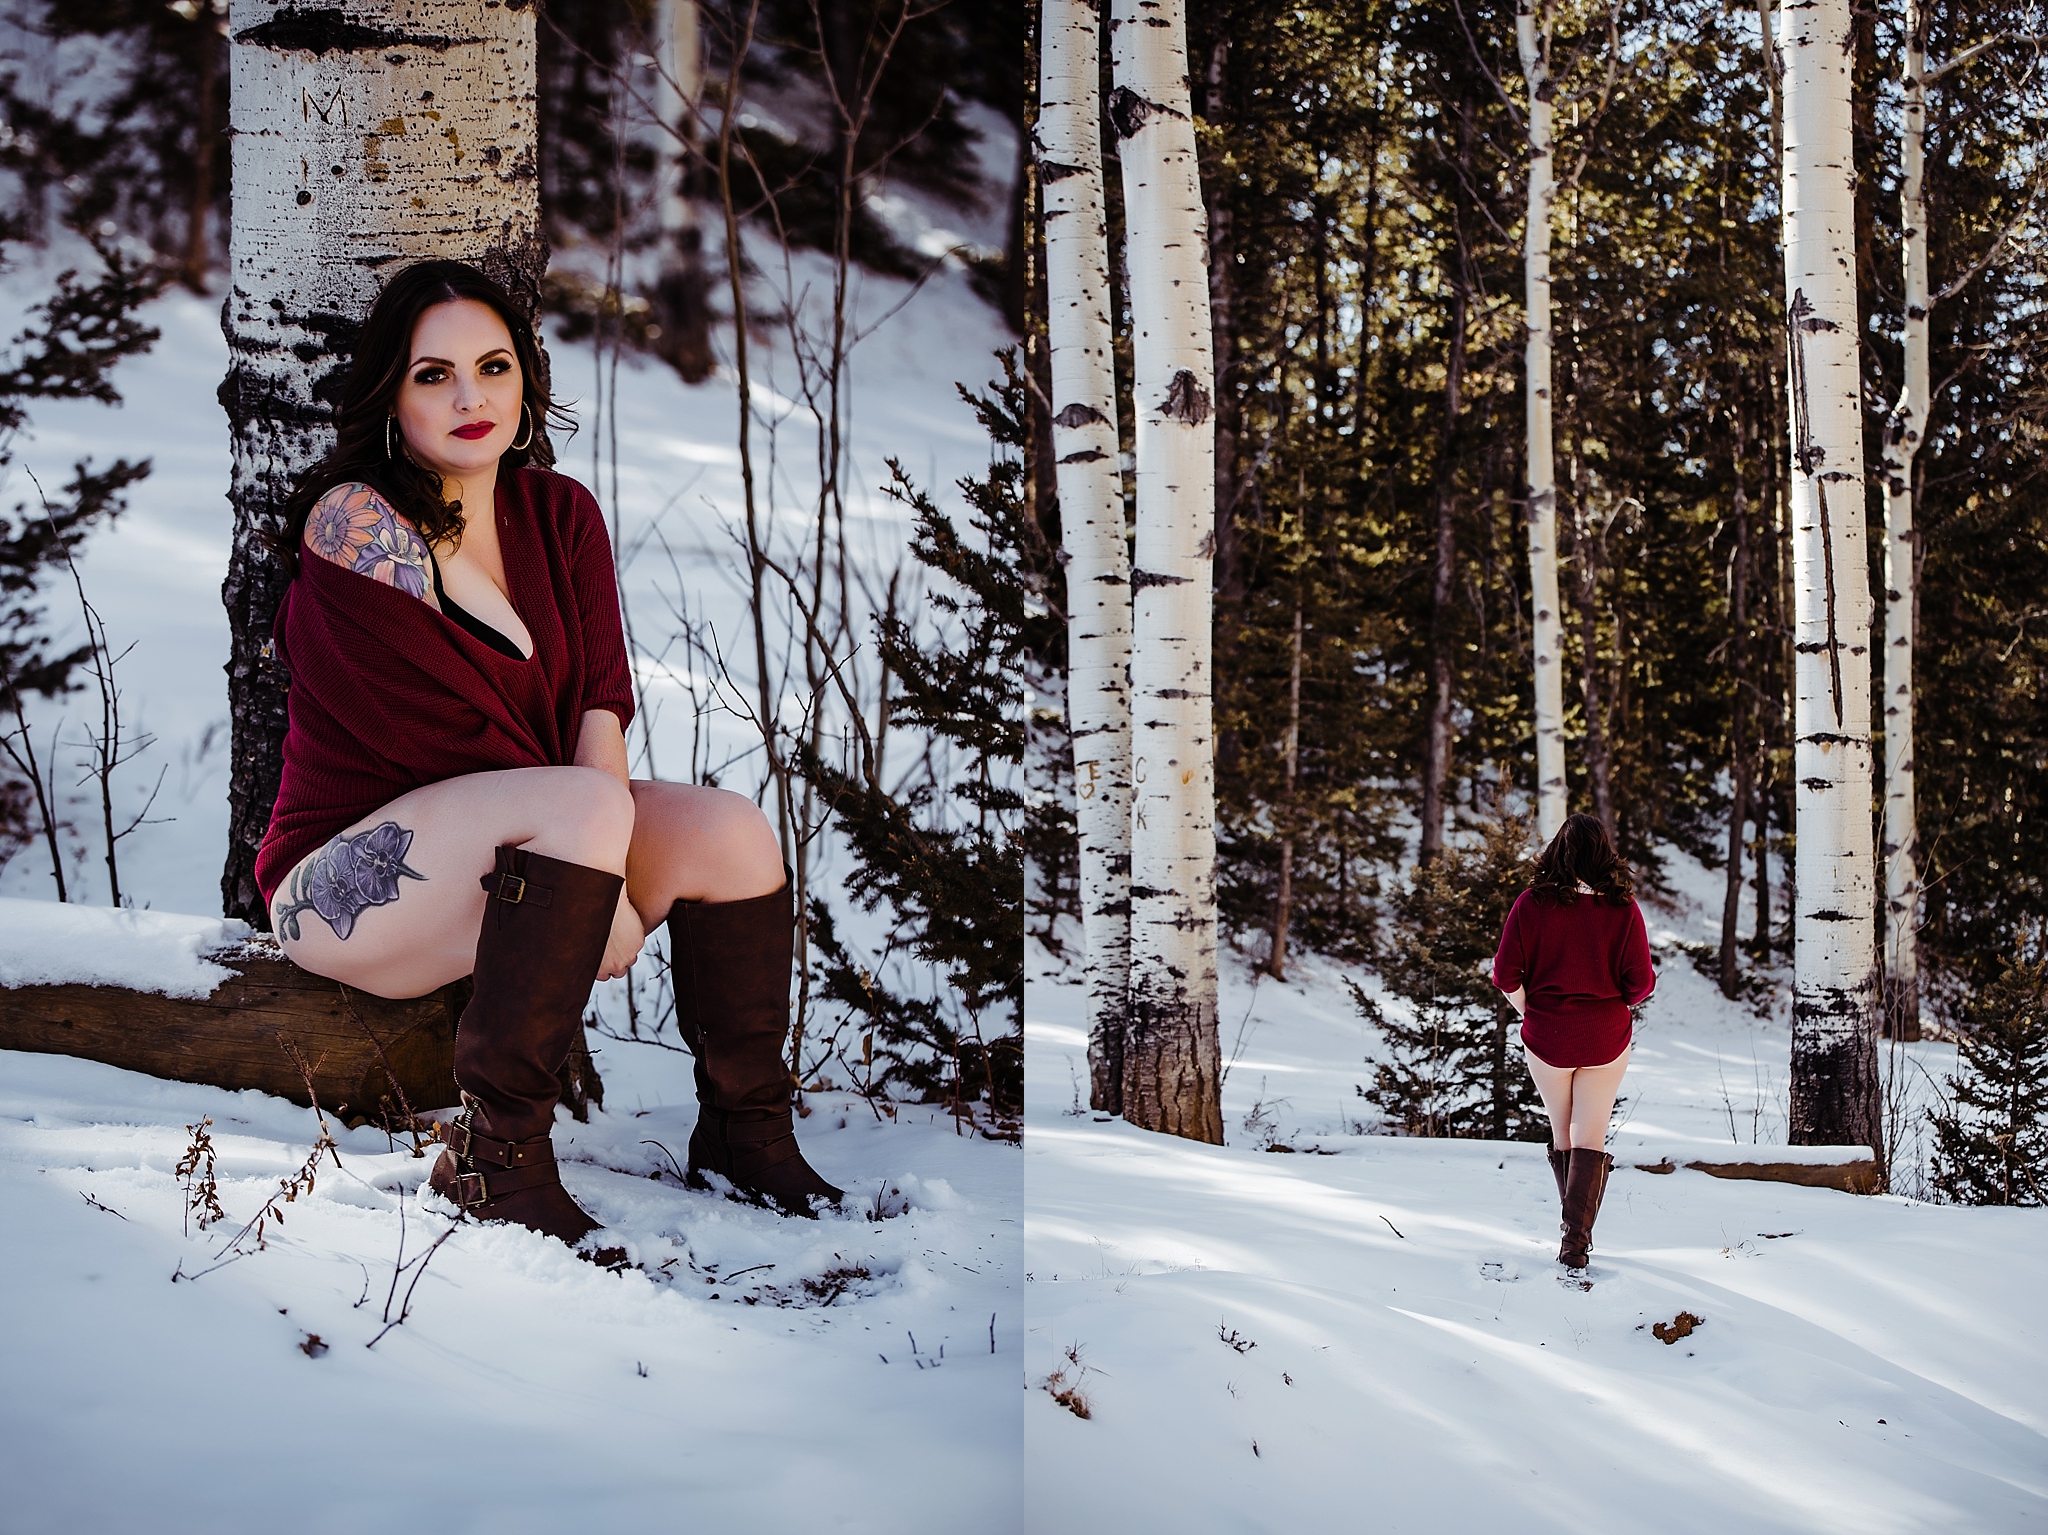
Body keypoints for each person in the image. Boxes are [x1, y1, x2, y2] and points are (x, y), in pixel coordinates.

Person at [255, 259, 840, 1247]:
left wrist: (606, 873)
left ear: (526, 379)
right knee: (583, 804)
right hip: (348, 887)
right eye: (433, 374)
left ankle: (747, 1132)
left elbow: (600, 705)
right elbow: (454, 742)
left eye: (493, 367)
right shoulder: (356, 524)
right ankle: (496, 1161)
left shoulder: (557, 513)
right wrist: (598, 870)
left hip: (532, 846)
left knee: (729, 830)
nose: (471, 398)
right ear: (391, 395)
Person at [1491, 813, 1655, 1269]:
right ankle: (1575, 1245)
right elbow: (1640, 984)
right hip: (1605, 1037)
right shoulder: (1623, 908)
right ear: (1605, 855)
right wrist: (1611, 1000)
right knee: (1589, 1135)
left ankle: (1572, 1237)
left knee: (1563, 1134)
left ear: (1557, 852)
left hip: (1547, 1037)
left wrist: (1530, 1010)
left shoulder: (1531, 904)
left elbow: (1505, 975)